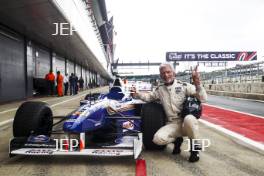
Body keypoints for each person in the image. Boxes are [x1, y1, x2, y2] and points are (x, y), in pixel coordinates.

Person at [131, 62, 207, 162]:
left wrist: (197, 83)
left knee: (190, 119)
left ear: (173, 73)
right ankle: (177, 140)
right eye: (163, 73)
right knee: (157, 139)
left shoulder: (184, 86)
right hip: (172, 124)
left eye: (168, 72)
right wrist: (137, 94)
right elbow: (148, 97)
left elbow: (203, 98)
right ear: (160, 75)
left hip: (186, 122)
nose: (166, 75)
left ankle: (195, 150)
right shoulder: (160, 89)